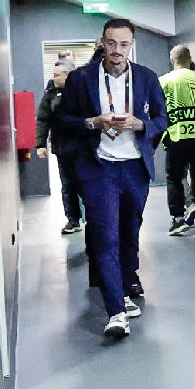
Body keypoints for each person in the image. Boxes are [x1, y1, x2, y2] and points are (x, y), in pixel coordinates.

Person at [55, 18, 168, 337]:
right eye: (111, 43)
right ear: (102, 43)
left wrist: (141, 125)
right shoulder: (81, 78)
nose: (117, 50)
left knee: (130, 233)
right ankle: (116, 310)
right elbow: (62, 120)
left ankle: (126, 282)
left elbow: (163, 118)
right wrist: (93, 122)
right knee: (106, 236)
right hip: (99, 168)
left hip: (134, 169)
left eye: (124, 44)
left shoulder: (146, 77)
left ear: (132, 45)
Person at [159, 44, 195, 236]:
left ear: (172, 60)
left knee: (175, 177)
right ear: (190, 59)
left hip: (177, 136)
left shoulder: (164, 81)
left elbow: (159, 111)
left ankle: (178, 219)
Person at [35, 60, 83, 234]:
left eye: (57, 75)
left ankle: (94, 219)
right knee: (68, 185)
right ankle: (73, 220)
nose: (53, 78)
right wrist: (40, 145)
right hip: (63, 148)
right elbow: (43, 120)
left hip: (83, 148)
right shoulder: (51, 95)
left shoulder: (83, 93)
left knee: (87, 184)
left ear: (68, 76)